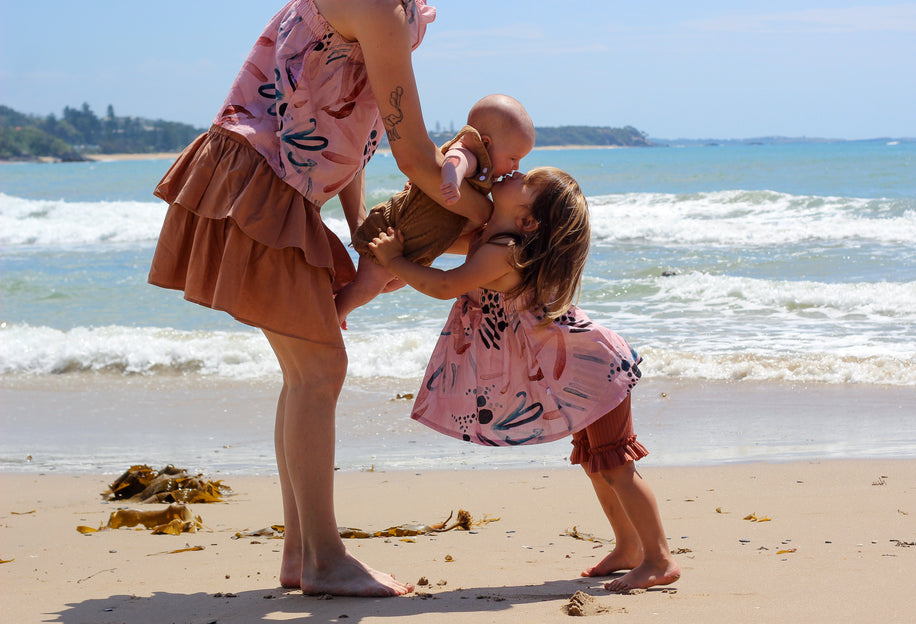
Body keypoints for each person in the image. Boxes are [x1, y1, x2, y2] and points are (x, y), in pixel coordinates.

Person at [148, 0, 490, 597]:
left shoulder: (384, 9)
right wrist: (502, 218)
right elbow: (414, 156)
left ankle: (302, 554)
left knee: (307, 371)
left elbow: (348, 118)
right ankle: (324, 560)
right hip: (260, 180)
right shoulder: (381, 8)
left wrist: (360, 231)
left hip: (262, 178)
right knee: (319, 369)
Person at [367, 167, 682, 591]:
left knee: (615, 464)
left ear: (527, 220)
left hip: (589, 369)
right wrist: (419, 201)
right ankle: (628, 547)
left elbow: (444, 286)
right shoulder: (490, 237)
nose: (514, 172)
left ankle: (660, 559)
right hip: (567, 372)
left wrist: (394, 262)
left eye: (526, 180)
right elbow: (440, 238)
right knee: (596, 464)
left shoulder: (505, 251)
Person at [336, 94, 535, 328]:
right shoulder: (474, 155)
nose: (516, 167)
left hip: (415, 248)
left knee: (388, 283)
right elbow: (456, 159)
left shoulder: (486, 173)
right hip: (392, 235)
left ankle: (338, 295)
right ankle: (335, 314)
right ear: (487, 143)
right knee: (366, 288)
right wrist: (452, 179)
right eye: (513, 158)